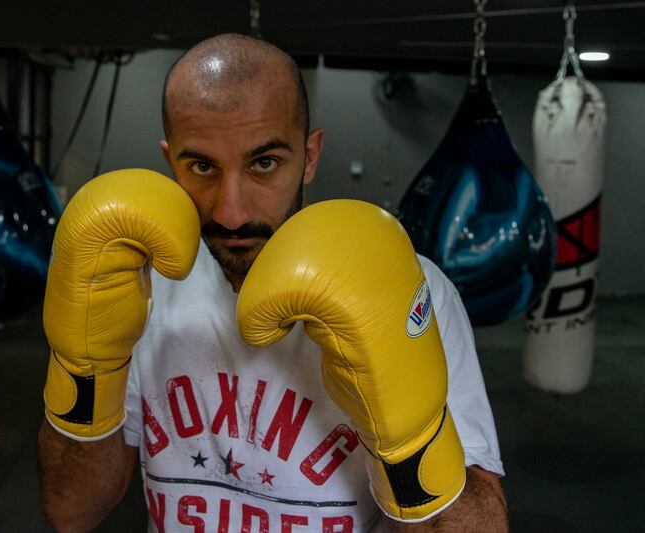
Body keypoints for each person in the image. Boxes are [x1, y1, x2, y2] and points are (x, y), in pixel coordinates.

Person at [37, 33, 508, 532]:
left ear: (309, 157)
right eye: (201, 166)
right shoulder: (136, 280)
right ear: (169, 160)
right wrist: (87, 371)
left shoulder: (418, 291)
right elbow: (71, 511)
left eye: (264, 163)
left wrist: (410, 439)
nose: (232, 212)